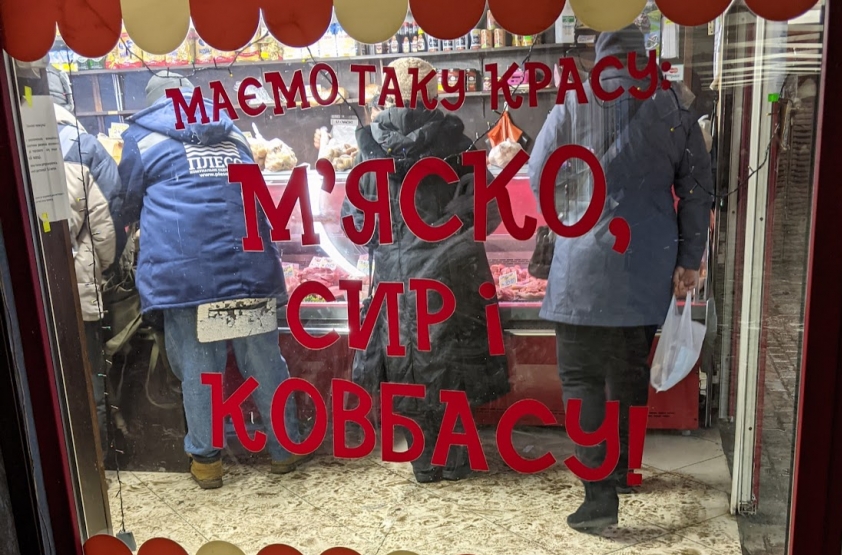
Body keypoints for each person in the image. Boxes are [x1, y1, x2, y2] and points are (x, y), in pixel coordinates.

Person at [529, 27, 713, 534]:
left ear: (601, 52)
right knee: (629, 373)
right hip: (646, 265)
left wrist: (576, 207)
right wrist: (689, 258)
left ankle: (598, 498)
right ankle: (626, 472)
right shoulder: (674, 105)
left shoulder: (573, 99)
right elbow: (698, 191)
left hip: (580, 269)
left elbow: (539, 175)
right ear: (643, 54)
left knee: (582, 380)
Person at [115, 71, 305, 489]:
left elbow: (125, 203)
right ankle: (285, 449)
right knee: (263, 360)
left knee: (201, 367)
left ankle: (206, 463)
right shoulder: (231, 130)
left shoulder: (141, 138)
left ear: (152, 101)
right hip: (248, 266)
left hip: (188, 276)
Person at [342, 58, 509, 483]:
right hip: (451, 282)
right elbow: (488, 215)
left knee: (408, 372)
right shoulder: (462, 145)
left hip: (396, 285)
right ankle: (453, 461)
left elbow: (359, 229)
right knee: (450, 370)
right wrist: (449, 230)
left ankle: (424, 463)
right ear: (433, 95)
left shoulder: (368, 154)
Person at [48, 66, 120, 454]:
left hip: (35, 297)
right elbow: (108, 221)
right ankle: (97, 458)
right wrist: (100, 270)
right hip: (80, 292)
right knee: (90, 376)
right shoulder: (84, 147)